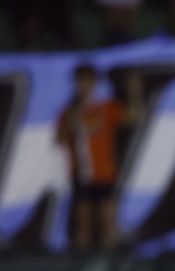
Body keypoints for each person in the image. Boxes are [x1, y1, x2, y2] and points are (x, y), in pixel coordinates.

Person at [56, 64, 143, 252]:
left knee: (108, 222)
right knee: (83, 224)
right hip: (81, 174)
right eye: (81, 81)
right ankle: (79, 269)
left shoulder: (106, 109)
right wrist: (74, 124)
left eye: (89, 81)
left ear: (95, 83)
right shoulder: (69, 112)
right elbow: (59, 139)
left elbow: (134, 117)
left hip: (105, 173)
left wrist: (134, 92)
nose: (85, 85)